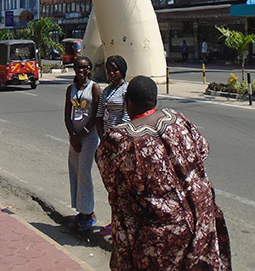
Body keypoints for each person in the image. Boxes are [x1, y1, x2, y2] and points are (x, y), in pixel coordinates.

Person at [96, 75, 231, 271]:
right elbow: (202, 150)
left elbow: (110, 177)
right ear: (155, 101)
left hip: (161, 231)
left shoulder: (118, 138)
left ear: (127, 102)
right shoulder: (177, 118)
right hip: (201, 217)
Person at [64, 56, 101, 231]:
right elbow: (67, 114)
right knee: (75, 171)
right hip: (75, 135)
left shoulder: (94, 88)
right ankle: (80, 210)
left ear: (89, 69)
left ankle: (89, 212)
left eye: (84, 68)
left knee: (84, 172)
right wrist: (72, 135)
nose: (81, 70)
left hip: (89, 136)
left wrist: (82, 135)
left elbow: (96, 115)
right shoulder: (70, 89)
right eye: (78, 67)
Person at [95, 54, 130, 237]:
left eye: (114, 69)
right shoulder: (106, 91)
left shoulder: (127, 90)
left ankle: (125, 223)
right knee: (112, 187)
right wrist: (104, 139)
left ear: (122, 70)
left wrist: (117, 139)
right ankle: (115, 221)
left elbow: (127, 116)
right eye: (109, 69)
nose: (111, 73)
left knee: (124, 187)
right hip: (108, 143)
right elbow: (99, 115)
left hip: (122, 144)